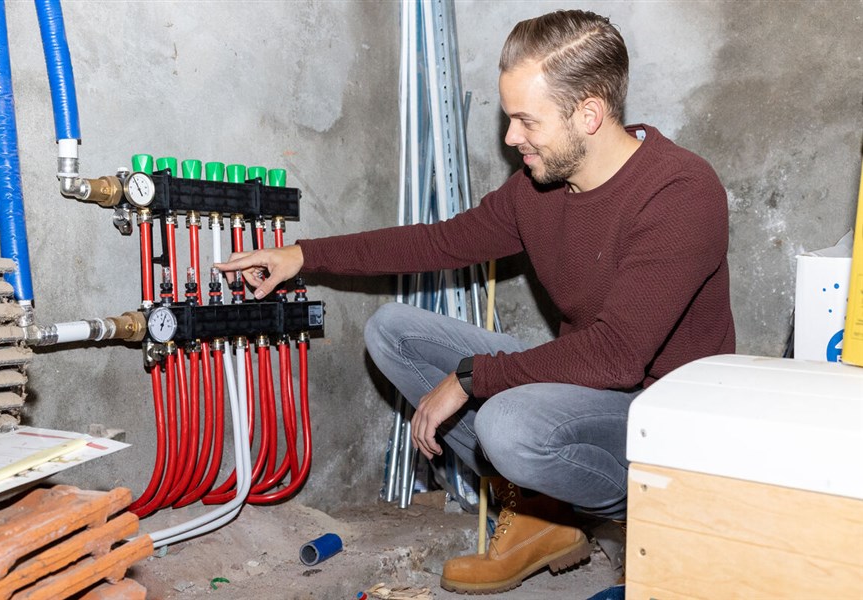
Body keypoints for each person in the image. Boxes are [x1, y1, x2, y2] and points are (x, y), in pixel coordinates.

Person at [216, 9, 734, 595]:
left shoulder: (680, 193)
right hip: (584, 385)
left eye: (525, 121)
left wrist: (471, 378)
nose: (511, 139)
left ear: (588, 113)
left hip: (662, 417)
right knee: (392, 332)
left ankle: (635, 512)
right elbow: (438, 241)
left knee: (508, 423)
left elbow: (618, 355)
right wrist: (304, 255)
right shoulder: (537, 191)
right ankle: (542, 513)